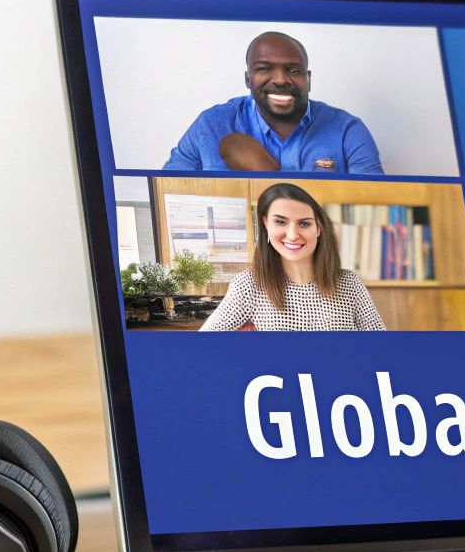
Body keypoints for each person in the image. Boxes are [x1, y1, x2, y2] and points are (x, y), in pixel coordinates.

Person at [165, 32, 384, 174]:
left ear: (308, 80)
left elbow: (373, 209)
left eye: (293, 70)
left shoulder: (348, 130)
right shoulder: (211, 126)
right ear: (247, 79)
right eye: (263, 68)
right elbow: (167, 195)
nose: (280, 80)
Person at [200, 183, 386, 331]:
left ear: (319, 228)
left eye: (304, 224)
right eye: (280, 222)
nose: (292, 235)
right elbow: (203, 345)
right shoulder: (249, 285)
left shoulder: (349, 283)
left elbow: (383, 348)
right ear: (265, 224)